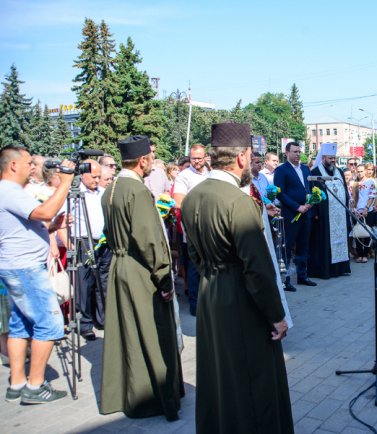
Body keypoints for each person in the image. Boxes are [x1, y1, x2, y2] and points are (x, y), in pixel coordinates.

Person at [181, 123, 293, 434]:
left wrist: (211, 278)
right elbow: (257, 269)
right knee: (254, 379)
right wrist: (277, 316)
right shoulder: (239, 202)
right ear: (242, 158)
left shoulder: (192, 198)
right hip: (240, 299)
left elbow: (192, 254)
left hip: (210, 293)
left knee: (220, 373)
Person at [99, 135, 184, 421]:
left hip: (120, 266)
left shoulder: (110, 190)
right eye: (150, 156)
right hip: (139, 271)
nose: (152, 161)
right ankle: (158, 398)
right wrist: (164, 279)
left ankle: (131, 394)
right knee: (152, 333)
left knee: (130, 334)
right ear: (142, 161)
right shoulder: (136, 191)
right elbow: (149, 240)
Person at [0, 145, 74, 404]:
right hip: (26, 268)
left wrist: (49, 228)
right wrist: (65, 182)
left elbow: (32, 221)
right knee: (49, 323)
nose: (33, 167)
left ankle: (18, 382)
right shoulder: (9, 191)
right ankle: (34, 387)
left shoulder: (9, 192)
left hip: (15, 266)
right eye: (29, 162)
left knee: (20, 325)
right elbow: (43, 212)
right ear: (13, 165)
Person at [71, 159, 108, 340]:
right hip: (84, 242)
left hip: (103, 242)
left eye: (99, 176)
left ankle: (103, 319)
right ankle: (85, 324)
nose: (96, 180)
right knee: (85, 284)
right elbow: (64, 220)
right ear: (83, 175)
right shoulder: (75, 194)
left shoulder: (103, 192)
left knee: (103, 281)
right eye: (93, 176)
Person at [274, 142, 316, 291]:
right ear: (287, 153)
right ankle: (285, 280)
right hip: (291, 214)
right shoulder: (281, 170)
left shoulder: (305, 169)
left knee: (303, 245)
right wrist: (297, 206)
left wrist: (311, 202)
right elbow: (280, 193)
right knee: (288, 246)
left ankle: (302, 275)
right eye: (295, 152)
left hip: (306, 213)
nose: (298, 154)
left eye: (299, 151)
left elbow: (310, 188)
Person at [173, 144, 208, 315]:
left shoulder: (211, 173)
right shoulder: (184, 176)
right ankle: (195, 305)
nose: (196, 161)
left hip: (210, 228)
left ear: (205, 156)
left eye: (199, 158)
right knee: (195, 267)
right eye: (193, 158)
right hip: (193, 228)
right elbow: (178, 200)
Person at [308, 143, 351, 278]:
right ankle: (326, 270)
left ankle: (340, 269)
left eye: (334, 158)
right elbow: (313, 194)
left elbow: (345, 191)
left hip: (340, 214)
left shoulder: (339, 172)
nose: (333, 160)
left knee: (341, 240)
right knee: (324, 243)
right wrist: (316, 213)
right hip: (324, 216)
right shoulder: (315, 173)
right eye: (330, 158)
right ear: (323, 157)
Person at [354, 163, 377, 263]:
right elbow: (352, 198)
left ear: (365, 171)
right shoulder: (355, 183)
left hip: (367, 211)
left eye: (361, 171)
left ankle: (365, 254)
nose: (359, 173)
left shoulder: (370, 182)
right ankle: (359, 255)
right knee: (358, 233)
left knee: (367, 233)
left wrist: (366, 208)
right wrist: (354, 209)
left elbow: (372, 196)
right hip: (357, 211)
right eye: (358, 171)